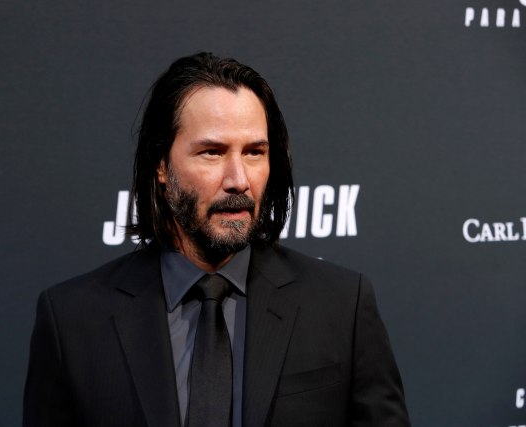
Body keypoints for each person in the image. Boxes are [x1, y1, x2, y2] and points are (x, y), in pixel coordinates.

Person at [23, 52, 411, 427]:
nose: (239, 180)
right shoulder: (73, 320)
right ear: (162, 165)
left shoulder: (341, 306)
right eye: (212, 152)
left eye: (255, 152)